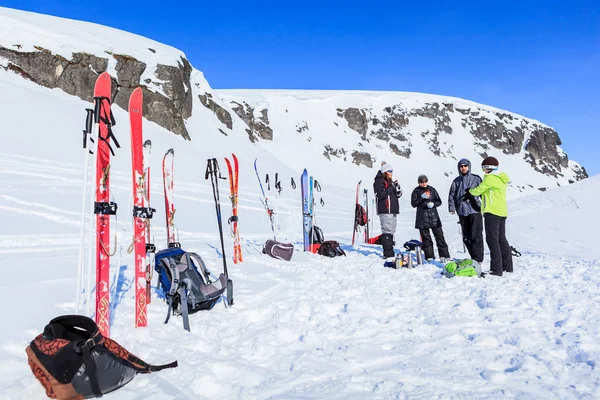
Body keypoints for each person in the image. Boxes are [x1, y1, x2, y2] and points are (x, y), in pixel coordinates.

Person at [464, 156, 513, 276]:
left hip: (492, 212)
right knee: (502, 239)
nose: (483, 171)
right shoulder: (501, 178)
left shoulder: (490, 178)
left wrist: (469, 191)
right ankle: (507, 267)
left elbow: (478, 190)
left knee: (492, 240)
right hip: (502, 212)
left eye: (483, 168)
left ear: (488, 168)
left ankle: (496, 269)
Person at [448, 158, 484, 263]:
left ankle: (478, 258)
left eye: (465, 166)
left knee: (476, 235)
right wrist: (452, 207)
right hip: (462, 211)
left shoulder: (476, 179)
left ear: (469, 167)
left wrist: (486, 207)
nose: (463, 168)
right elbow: (452, 195)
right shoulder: (456, 181)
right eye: (461, 166)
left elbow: (483, 194)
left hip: (474, 210)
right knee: (466, 237)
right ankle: (473, 256)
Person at [410, 174, 450, 262]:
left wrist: (433, 204)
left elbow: (439, 201)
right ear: (419, 182)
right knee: (426, 239)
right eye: (421, 182)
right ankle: (429, 256)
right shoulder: (416, 191)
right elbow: (413, 204)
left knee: (440, 237)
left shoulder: (432, 189)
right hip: (422, 218)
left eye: (425, 181)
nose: (424, 183)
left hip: (434, 217)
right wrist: (421, 197)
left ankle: (445, 255)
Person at [373, 162, 403, 258]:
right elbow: (380, 194)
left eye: (392, 171)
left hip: (392, 209)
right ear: (385, 172)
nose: (391, 173)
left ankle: (390, 251)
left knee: (392, 230)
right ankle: (388, 253)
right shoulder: (379, 181)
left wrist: (397, 189)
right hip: (385, 209)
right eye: (390, 171)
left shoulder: (390, 182)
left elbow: (395, 195)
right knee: (387, 230)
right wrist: (391, 188)